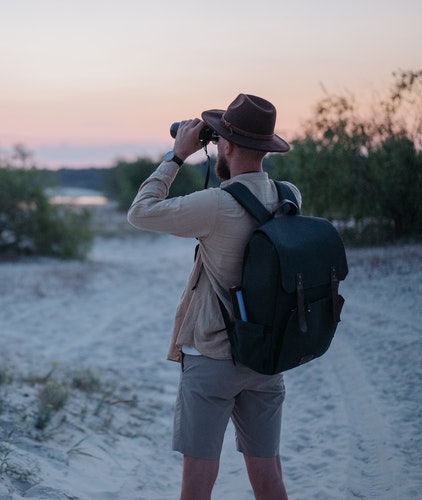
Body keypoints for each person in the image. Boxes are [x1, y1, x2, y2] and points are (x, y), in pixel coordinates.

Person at [127, 94, 298, 500]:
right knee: (268, 476)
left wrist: (176, 155)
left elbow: (140, 211)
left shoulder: (216, 205)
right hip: (266, 356)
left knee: (198, 485)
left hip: (212, 357)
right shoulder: (289, 196)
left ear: (226, 146)